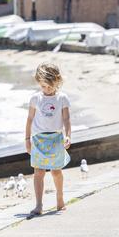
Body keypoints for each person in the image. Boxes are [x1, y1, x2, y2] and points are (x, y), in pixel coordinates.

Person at [25, 63, 72, 215]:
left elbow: (66, 119)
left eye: (50, 86)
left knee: (56, 171)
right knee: (38, 172)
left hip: (56, 138)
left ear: (57, 81)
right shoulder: (35, 98)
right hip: (38, 140)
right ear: (39, 82)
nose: (47, 89)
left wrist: (68, 135)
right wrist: (27, 140)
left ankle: (60, 198)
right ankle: (39, 205)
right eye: (44, 86)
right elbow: (29, 119)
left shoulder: (62, 98)